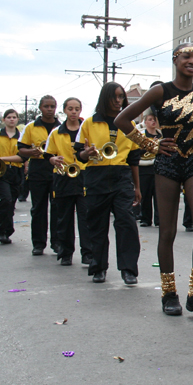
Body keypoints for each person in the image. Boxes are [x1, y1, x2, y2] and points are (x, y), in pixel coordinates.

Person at [114, 44, 193, 317]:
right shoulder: (160, 91)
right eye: (187, 57)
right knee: (168, 231)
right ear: (175, 60)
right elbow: (123, 119)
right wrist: (149, 144)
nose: (192, 61)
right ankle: (169, 294)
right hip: (166, 163)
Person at [75, 83, 142, 285]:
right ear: (105, 98)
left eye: (121, 97)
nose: (118, 100)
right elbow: (79, 153)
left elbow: (134, 160)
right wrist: (85, 154)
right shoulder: (89, 123)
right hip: (96, 175)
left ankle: (129, 270)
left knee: (126, 223)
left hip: (122, 176)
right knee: (97, 224)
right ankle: (98, 267)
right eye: (114, 97)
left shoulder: (128, 124)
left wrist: (137, 187)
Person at [46, 98, 92, 266]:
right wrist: (52, 160)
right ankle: (65, 253)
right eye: (70, 108)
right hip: (63, 176)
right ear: (64, 110)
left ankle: (88, 253)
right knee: (63, 217)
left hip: (83, 176)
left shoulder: (86, 130)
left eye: (77, 109)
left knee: (86, 217)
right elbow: (47, 154)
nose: (74, 112)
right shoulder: (56, 132)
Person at [17, 95, 61, 255]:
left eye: (52, 106)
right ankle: (38, 243)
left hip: (56, 173)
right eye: (46, 106)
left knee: (57, 209)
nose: (49, 109)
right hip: (37, 173)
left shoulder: (60, 127)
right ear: (40, 108)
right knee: (38, 209)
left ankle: (56, 243)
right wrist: (32, 152)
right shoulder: (31, 127)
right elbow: (21, 149)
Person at [0, 109, 25, 244]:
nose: (11, 119)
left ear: (17, 120)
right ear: (4, 120)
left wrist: (1, 158)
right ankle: (2, 231)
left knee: (11, 202)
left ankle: (7, 229)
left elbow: (22, 157)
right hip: (0, 171)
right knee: (5, 199)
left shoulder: (22, 137)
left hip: (16, 171)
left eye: (14, 117)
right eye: (9, 117)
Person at [137, 112, 162, 227]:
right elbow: (137, 152)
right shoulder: (141, 136)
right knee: (145, 194)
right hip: (144, 167)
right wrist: (150, 146)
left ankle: (159, 219)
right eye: (150, 119)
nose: (153, 122)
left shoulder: (161, 135)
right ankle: (145, 219)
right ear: (145, 122)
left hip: (157, 167)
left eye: (154, 120)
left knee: (158, 195)